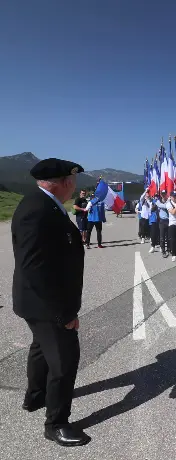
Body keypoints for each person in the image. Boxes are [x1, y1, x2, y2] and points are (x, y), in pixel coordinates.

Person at [11, 158, 91, 446]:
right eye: (72, 182)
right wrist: (64, 313)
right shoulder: (38, 210)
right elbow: (34, 267)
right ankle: (56, 423)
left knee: (40, 348)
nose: (74, 187)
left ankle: (35, 397)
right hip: (48, 304)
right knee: (64, 362)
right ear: (64, 183)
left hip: (36, 301)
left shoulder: (39, 203)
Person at [167, 191, 176, 262]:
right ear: (170, 197)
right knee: (173, 240)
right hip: (172, 224)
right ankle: (173, 254)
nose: (175, 197)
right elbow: (173, 212)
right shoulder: (168, 204)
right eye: (173, 196)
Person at [155, 190, 170, 258]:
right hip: (162, 221)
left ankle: (169, 249)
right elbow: (164, 206)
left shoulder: (169, 201)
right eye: (162, 194)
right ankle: (163, 251)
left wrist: (168, 201)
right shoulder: (158, 201)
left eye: (165, 194)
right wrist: (168, 202)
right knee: (162, 237)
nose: (164, 195)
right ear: (161, 195)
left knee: (169, 237)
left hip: (169, 220)